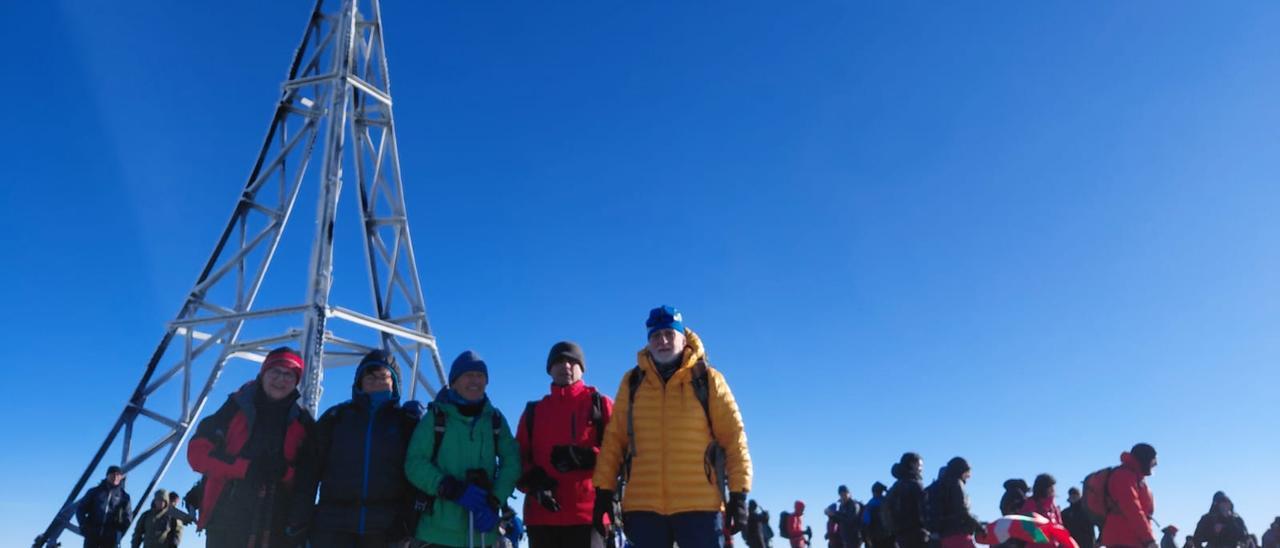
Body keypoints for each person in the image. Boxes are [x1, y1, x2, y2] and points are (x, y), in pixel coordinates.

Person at [591, 306, 753, 548]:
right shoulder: (633, 381)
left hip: (700, 507)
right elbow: (615, 439)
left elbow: (733, 437)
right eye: (656, 335)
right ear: (649, 341)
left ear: (683, 338)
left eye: (669, 333)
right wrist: (604, 490)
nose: (663, 341)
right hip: (643, 506)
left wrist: (738, 495)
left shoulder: (708, 379)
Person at [289, 349, 423, 547]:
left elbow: (418, 475)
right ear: (359, 381)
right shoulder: (336, 418)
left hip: (387, 529)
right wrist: (299, 518)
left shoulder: (406, 422)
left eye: (384, 376)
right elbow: (309, 470)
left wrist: (409, 521)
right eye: (370, 375)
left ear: (394, 382)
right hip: (333, 527)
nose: (377, 381)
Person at [187, 347, 314, 547]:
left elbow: (310, 473)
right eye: (275, 372)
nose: (281, 379)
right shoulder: (233, 409)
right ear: (263, 373)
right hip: (227, 517)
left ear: (297, 380)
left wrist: (284, 472)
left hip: (277, 522)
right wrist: (245, 468)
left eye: (289, 374)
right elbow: (197, 454)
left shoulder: (303, 423)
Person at [405, 350, 522, 548]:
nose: (475, 381)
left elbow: (512, 461)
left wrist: (494, 500)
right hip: (436, 534)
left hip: (483, 535)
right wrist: (448, 487)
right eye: (468, 375)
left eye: (480, 376)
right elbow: (414, 463)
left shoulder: (495, 420)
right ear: (454, 382)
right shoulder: (436, 418)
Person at [516, 341, 614, 548]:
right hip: (542, 517)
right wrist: (532, 482)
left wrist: (589, 456)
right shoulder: (534, 412)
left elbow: (622, 450)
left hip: (588, 516)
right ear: (550, 369)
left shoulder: (600, 404)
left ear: (582, 368)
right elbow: (517, 458)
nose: (566, 366)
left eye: (572, 361)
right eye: (559, 361)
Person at [1100, 443, 1157, 548]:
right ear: (1144, 459)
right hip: (1123, 539)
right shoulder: (1124, 476)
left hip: (1133, 540)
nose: (1155, 464)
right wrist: (1149, 540)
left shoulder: (1136, 477)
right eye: (1153, 460)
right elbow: (1133, 509)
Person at [924, 457, 981, 548]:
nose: (968, 477)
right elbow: (962, 510)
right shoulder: (955, 483)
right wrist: (979, 527)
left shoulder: (934, 488)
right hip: (958, 534)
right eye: (967, 473)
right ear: (960, 470)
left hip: (941, 536)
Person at [77, 465, 132, 548]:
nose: (115, 477)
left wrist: (120, 532)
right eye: (112, 474)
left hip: (110, 538)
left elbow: (128, 517)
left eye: (118, 475)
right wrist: (84, 526)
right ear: (107, 475)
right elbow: (80, 509)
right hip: (92, 535)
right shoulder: (95, 492)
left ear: (121, 477)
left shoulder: (124, 497)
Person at [887, 453, 928, 548]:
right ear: (912, 464)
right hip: (918, 533)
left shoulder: (895, 486)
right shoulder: (915, 484)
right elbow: (924, 509)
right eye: (920, 465)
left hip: (900, 534)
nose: (921, 469)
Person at [130, 489, 194, 548]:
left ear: (166, 502)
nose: (160, 502)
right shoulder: (146, 515)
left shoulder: (172, 516)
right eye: (158, 500)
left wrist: (173, 545)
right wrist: (135, 546)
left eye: (163, 500)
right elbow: (137, 533)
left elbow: (177, 532)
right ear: (154, 501)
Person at [1020, 474, 1064, 548]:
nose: (1053, 489)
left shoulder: (1054, 507)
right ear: (1043, 488)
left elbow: (1060, 527)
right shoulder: (1030, 504)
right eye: (1050, 487)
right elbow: (1027, 526)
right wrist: (1044, 540)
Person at [862, 482, 893, 548]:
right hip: (890, 535)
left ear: (873, 492)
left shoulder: (869, 505)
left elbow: (866, 521)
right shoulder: (888, 502)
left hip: (875, 537)